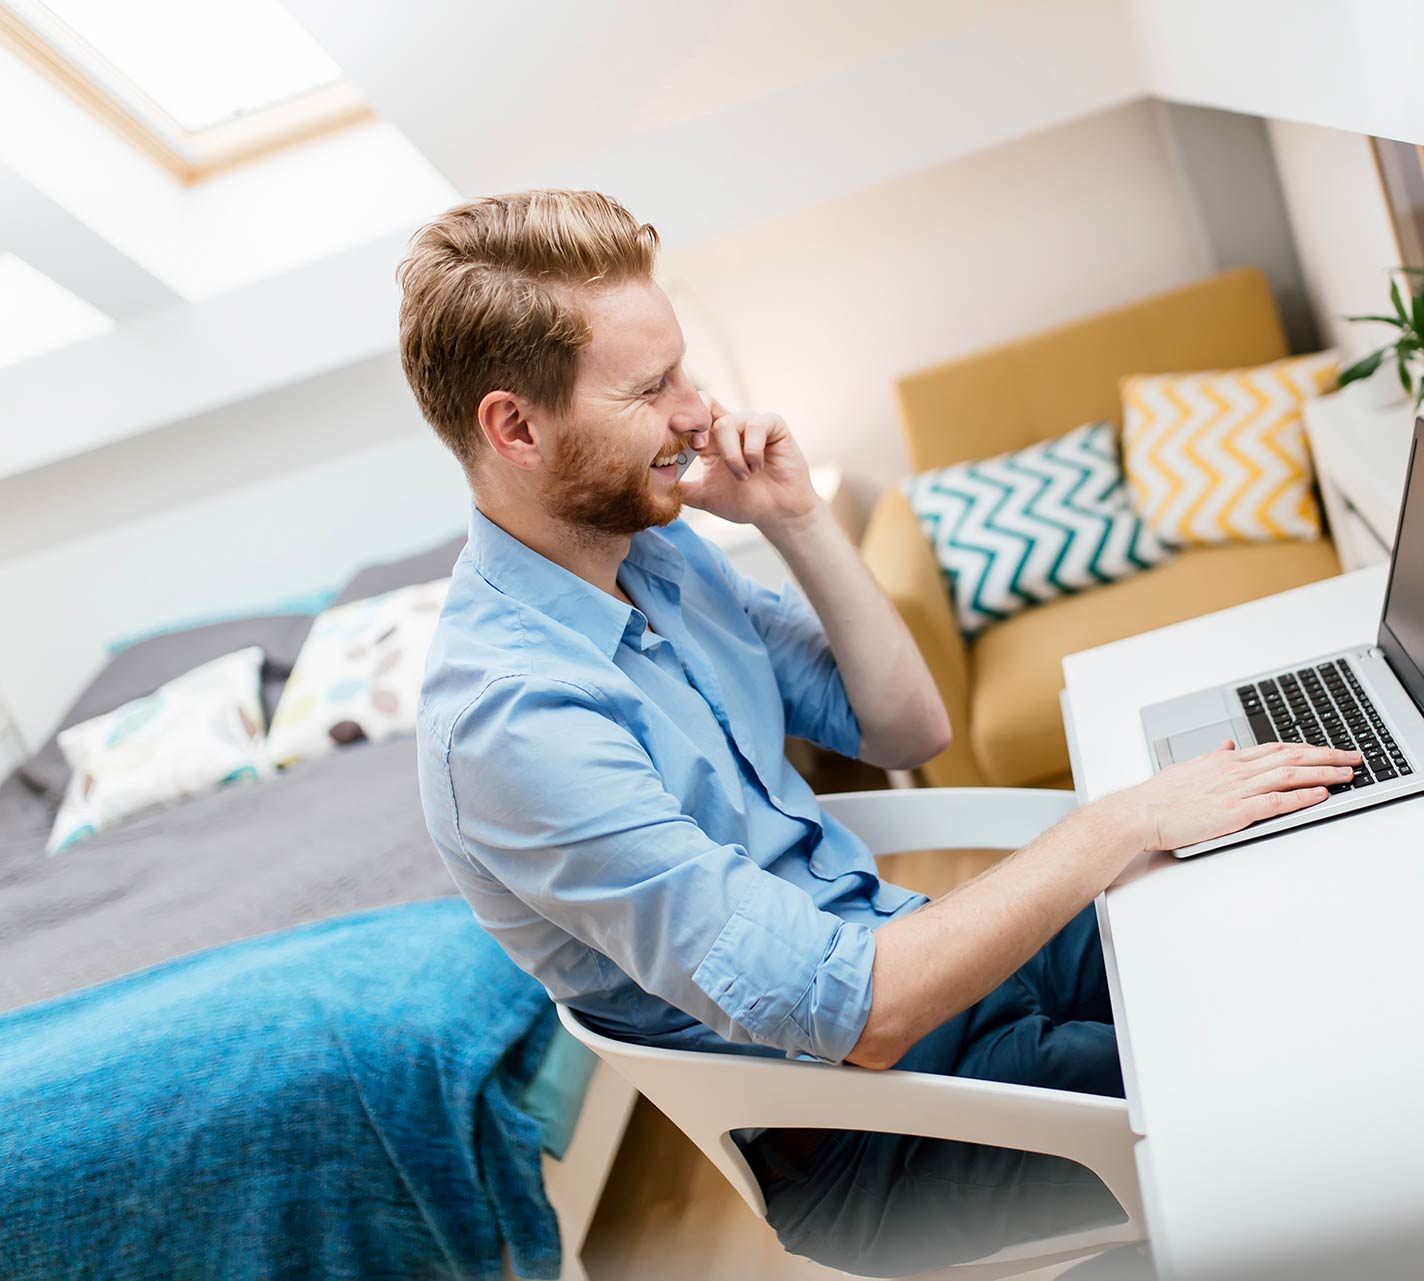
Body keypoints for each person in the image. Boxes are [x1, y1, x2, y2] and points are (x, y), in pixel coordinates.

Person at [400, 189, 1360, 1276]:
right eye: (651, 387)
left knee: (1284, 924)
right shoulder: (516, 730)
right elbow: (865, 1013)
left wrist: (795, 519)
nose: (696, 410)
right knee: (1295, 1082)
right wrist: (1121, 822)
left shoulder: (653, 557)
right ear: (514, 428)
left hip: (947, 977)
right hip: (882, 1123)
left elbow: (908, 720)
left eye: (684, 370)